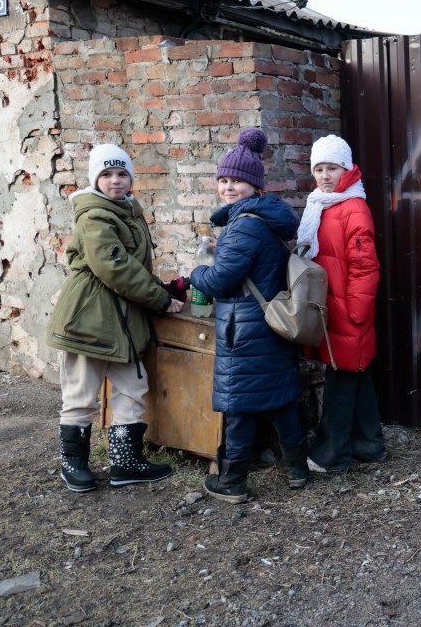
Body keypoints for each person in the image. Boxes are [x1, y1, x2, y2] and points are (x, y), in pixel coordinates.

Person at [47, 144, 183, 492]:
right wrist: (158, 300)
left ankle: (126, 463)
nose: (115, 181)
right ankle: (73, 464)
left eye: (121, 173)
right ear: (95, 179)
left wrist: (163, 290)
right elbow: (114, 267)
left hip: (124, 316)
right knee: (81, 392)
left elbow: (133, 266)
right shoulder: (94, 215)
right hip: (89, 316)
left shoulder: (127, 210)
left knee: (132, 389)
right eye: (106, 174)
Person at [189, 128, 310, 503]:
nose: (228, 187)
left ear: (256, 187)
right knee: (280, 401)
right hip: (270, 325)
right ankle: (297, 471)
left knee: (240, 406)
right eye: (223, 179)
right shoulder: (266, 220)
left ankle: (232, 483)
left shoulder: (243, 226)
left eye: (237, 181)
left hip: (243, 330)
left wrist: (195, 273)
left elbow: (222, 281)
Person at [296, 134, 386, 473]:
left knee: (340, 378)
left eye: (331, 168)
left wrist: (356, 313)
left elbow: (365, 266)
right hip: (329, 307)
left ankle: (331, 455)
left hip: (348, 310)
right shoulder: (320, 203)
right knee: (356, 375)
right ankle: (369, 446)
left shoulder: (353, 208)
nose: (324, 176)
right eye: (318, 169)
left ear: (346, 169)